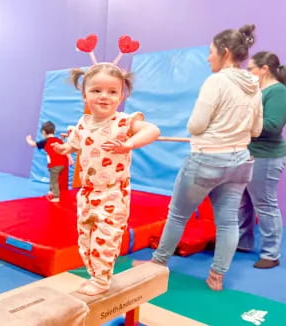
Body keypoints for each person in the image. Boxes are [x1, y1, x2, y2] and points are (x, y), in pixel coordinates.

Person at [135, 24, 263, 291]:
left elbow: (195, 126)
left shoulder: (216, 81)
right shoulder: (254, 85)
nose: (208, 58)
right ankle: (217, 276)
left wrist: (215, 128)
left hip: (208, 159)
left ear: (225, 52)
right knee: (228, 220)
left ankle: (158, 264)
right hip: (239, 161)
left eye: (211, 52)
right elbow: (256, 130)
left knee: (178, 215)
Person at [52, 63, 160, 295]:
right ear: (85, 94)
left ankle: (102, 281)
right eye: (96, 90)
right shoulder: (83, 123)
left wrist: (128, 144)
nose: (104, 97)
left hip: (113, 192)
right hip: (88, 193)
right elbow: (76, 143)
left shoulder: (123, 122)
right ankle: (94, 275)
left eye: (112, 92)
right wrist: (66, 148)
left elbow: (152, 130)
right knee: (86, 238)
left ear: (121, 96)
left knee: (106, 237)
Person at [238, 51, 286, 269]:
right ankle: (242, 242)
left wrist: (240, 123)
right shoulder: (259, 91)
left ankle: (271, 253)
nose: (248, 73)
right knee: (243, 201)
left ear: (264, 69)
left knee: (265, 203)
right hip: (250, 154)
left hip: (266, 156)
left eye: (251, 69)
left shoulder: (278, 91)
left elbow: (274, 125)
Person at [26, 121, 73, 202]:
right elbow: (65, 149)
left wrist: (28, 140)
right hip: (64, 163)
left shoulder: (45, 141)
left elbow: (33, 144)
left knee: (54, 180)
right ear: (54, 131)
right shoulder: (58, 140)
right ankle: (58, 192)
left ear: (44, 132)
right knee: (61, 179)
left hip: (55, 165)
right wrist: (70, 159)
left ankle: (56, 196)